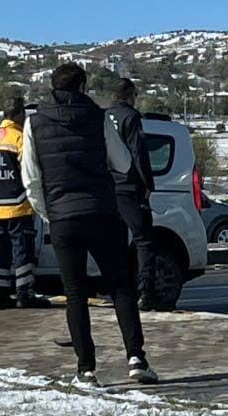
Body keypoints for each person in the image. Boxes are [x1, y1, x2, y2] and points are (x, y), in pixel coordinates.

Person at [22, 63, 157, 387]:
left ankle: (86, 369)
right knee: (121, 287)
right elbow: (123, 162)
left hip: (63, 218)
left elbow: (31, 178)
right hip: (103, 212)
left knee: (75, 293)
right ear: (82, 86)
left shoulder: (34, 123)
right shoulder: (99, 118)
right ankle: (136, 357)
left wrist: (48, 212)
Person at [0, 95, 49, 310]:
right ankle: (24, 293)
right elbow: (29, 171)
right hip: (18, 205)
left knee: (1, 252)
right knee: (22, 251)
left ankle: (0, 294)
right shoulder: (20, 138)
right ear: (19, 114)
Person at [107, 78, 157, 309]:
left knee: (114, 242)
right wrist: (147, 184)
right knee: (144, 240)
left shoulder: (103, 117)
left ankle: (118, 290)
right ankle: (146, 292)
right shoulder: (131, 117)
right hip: (129, 187)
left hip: (108, 187)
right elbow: (138, 152)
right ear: (129, 95)